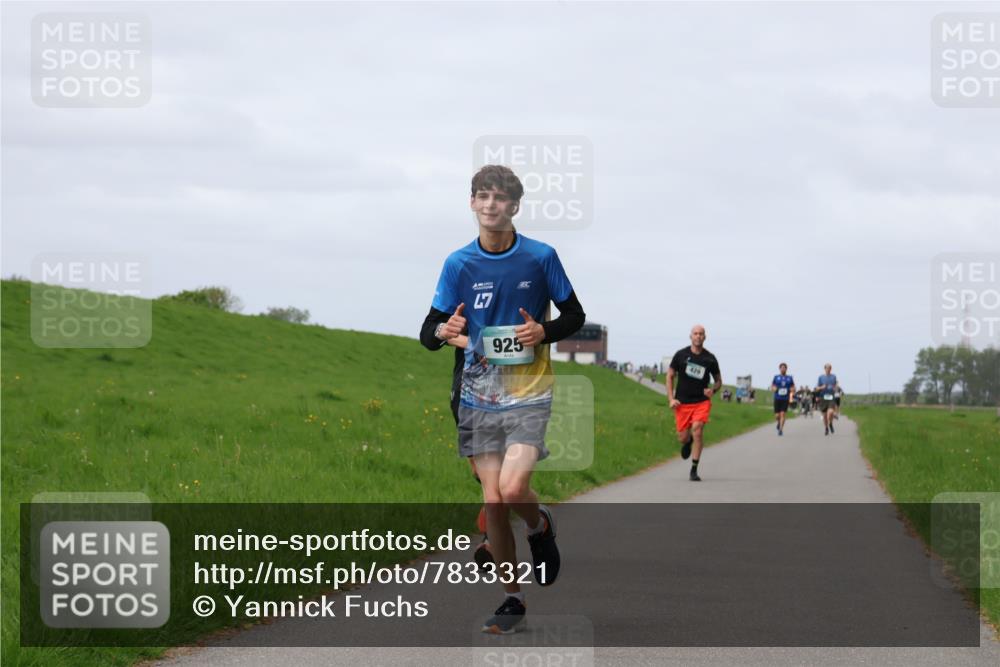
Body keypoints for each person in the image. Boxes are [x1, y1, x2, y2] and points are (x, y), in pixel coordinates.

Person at [425, 165, 586, 634]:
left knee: (514, 491)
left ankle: (539, 526)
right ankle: (512, 599)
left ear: (515, 206)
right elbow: (428, 332)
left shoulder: (540, 257)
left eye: (500, 198)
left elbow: (575, 314)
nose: (491, 205)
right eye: (483, 196)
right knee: (493, 501)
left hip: (528, 391)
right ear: (472, 203)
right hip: (477, 395)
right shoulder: (458, 264)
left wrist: (544, 330)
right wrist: (444, 329)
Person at [418, 320, 494, 569]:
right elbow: (433, 334)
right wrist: (446, 331)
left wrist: (467, 343)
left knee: (497, 473)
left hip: (508, 388)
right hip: (465, 389)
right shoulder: (460, 286)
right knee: (481, 473)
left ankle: (492, 538)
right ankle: (536, 519)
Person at [666, 325, 722, 481]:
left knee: (697, 430)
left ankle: (694, 469)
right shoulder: (681, 355)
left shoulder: (710, 358)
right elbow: (670, 376)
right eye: (695, 334)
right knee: (683, 438)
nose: (698, 336)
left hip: (701, 402)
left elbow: (718, 381)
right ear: (690, 336)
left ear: (705, 337)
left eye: (701, 334)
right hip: (682, 403)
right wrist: (671, 398)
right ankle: (688, 441)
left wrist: (713, 390)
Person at [770, 363, 796, 436]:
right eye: (782, 368)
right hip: (777, 398)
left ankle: (781, 429)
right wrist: (774, 388)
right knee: (777, 416)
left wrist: (792, 390)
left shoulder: (789, 378)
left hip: (785, 398)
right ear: (780, 369)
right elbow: (772, 386)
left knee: (783, 414)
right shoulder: (776, 377)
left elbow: (793, 387)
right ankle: (778, 423)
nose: (783, 369)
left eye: (784, 368)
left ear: (786, 369)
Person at [816, 363, 840, 435]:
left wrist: (836, 388)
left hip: (831, 397)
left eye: (829, 368)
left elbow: (836, 386)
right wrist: (821, 387)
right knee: (825, 415)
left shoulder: (833, 377)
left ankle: (830, 423)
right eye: (827, 368)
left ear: (831, 369)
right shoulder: (821, 377)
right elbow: (817, 388)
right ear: (825, 369)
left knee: (831, 412)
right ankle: (826, 428)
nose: (828, 369)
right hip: (823, 397)